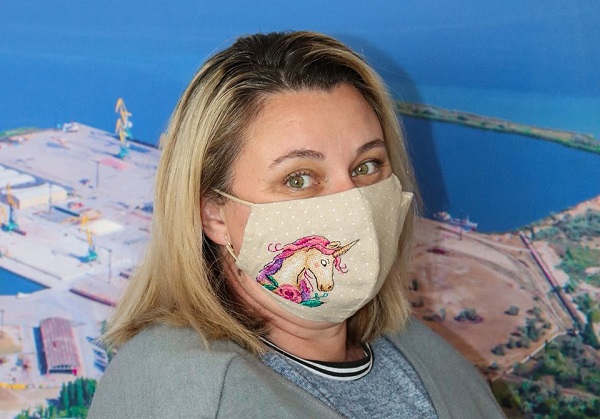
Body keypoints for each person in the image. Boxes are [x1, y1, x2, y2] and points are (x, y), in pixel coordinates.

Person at [89, 31, 504, 418]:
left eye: (366, 166)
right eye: (299, 179)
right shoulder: (183, 392)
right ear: (213, 213)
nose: (353, 203)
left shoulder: (429, 359)